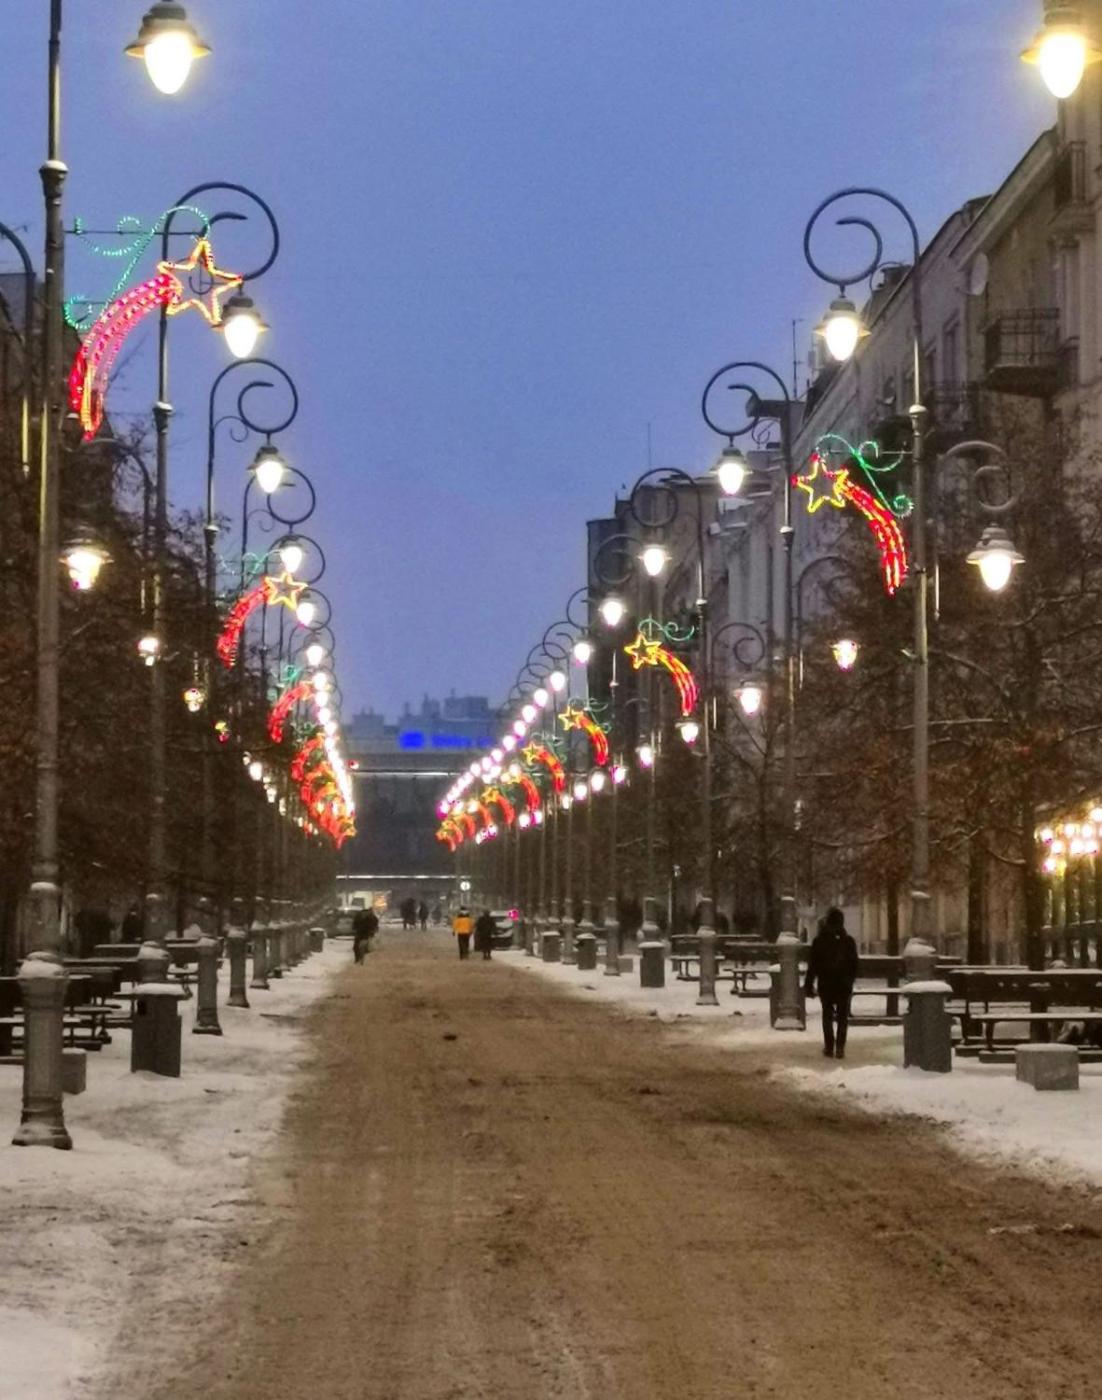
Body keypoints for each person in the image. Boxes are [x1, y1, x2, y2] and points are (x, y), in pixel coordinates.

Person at [804, 907, 859, 1059]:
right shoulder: (848, 942)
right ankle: (840, 1047)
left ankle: (829, 1046)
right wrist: (850, 980)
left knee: (827, 1015)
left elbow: (813, 965)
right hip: (843, 985)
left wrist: (809, 984)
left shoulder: (819, 941)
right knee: (842, 1017)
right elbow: (854, 964)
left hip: (826, 984)